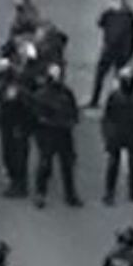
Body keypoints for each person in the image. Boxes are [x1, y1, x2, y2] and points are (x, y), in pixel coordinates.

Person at [31, 63, 81, 207]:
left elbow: (73, 110)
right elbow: (37, 116)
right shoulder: (41, 95)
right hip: (49, 134)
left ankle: (70, 194)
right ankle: (40, 194)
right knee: (45, 164)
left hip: (64, 133)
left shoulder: (66, 93)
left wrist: (72, 121)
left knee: (67, 165)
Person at [101, 66, 133, 205]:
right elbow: (107, 117)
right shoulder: (115, 96)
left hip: (131, 133)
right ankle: (109, 192)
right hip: (117, 133)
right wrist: (107, 135)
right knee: (113, 164)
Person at [90, 0, 133, 108]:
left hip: (122, 52)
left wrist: (130, 54)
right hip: (109, 49)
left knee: (120, 77)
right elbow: (100, 23)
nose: (110, 2)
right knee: (100, 74)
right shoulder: (109, 13)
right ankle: (95, 100)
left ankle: (119, 102)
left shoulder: (128, 15)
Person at [0, 65, 33, 198]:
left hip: (15, 129)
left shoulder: (15, 92)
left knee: (15, 158)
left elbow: (22, 110)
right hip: (11, 128)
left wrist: (22, 127)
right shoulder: (13, 90)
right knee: (11, 157)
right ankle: (17, 184)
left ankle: (19, 186)